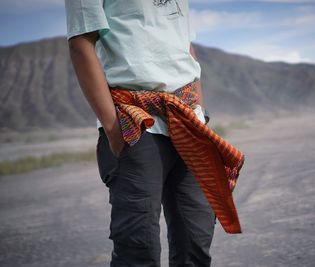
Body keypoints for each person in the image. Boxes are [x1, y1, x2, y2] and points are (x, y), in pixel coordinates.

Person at [64, 1, 217, 266]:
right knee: (138, 250)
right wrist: (114, 128)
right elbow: (81, 43)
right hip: (135, 124)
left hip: (189, 120)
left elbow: (185, 46)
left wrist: (198, 111)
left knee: (196, 244)